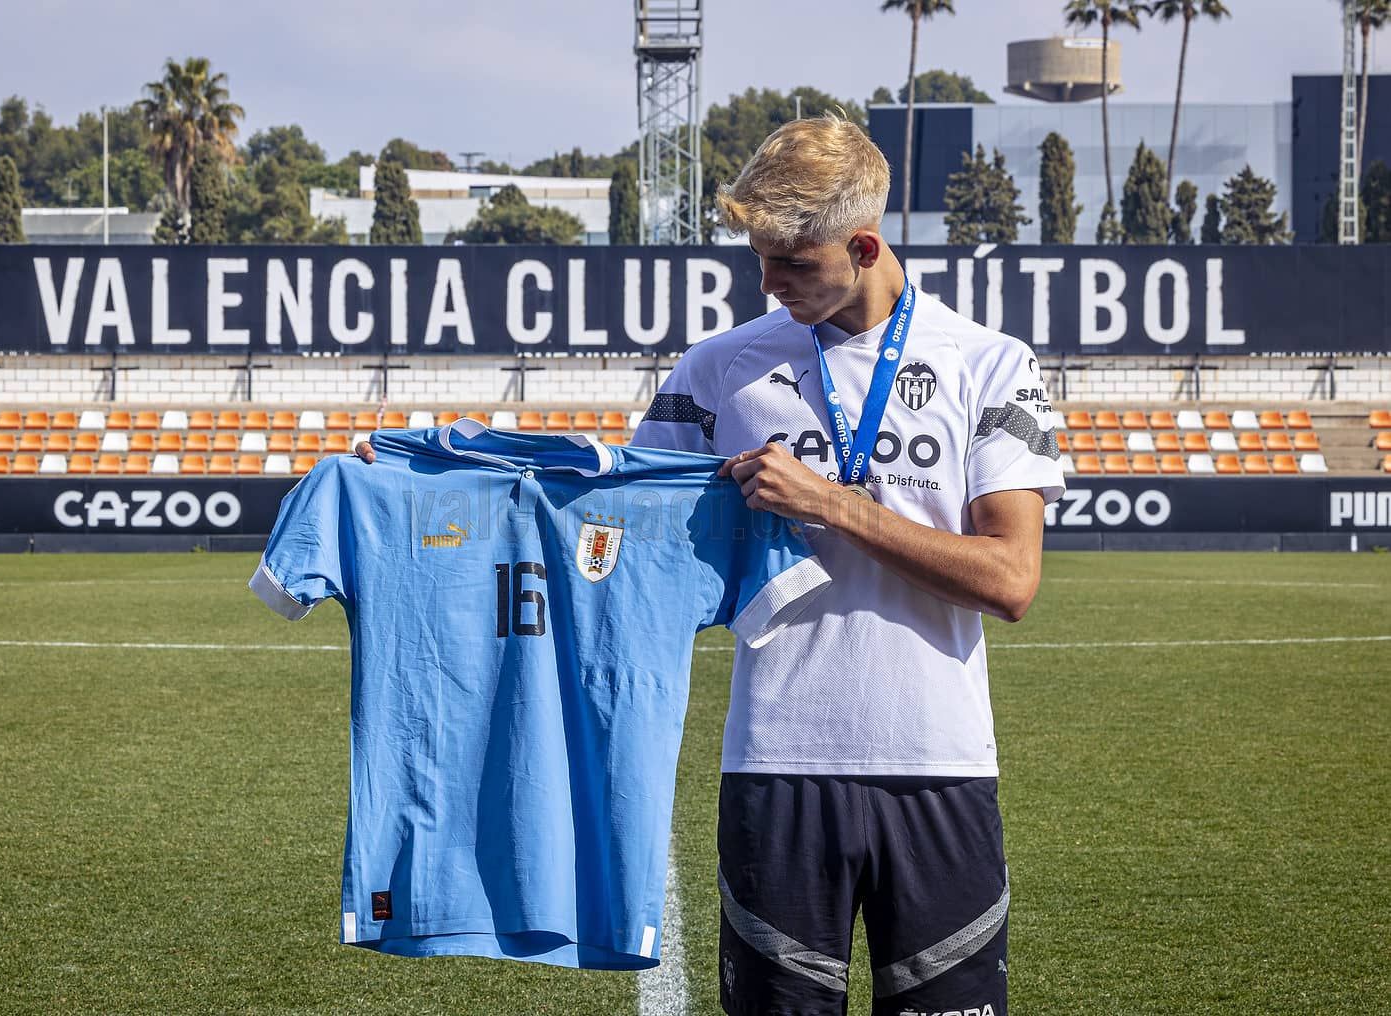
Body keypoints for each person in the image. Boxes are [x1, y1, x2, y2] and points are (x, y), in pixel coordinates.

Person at [358, 112, 1062, 1016]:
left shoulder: (990, 365)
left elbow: (1011, 579)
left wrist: (833, 503)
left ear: (863, 244)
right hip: (775, 767)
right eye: (759, 260)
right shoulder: (718, 370)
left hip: (941, 768)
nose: (769, 285)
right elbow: (602, 513)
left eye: (793, 264)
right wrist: (431, 474)